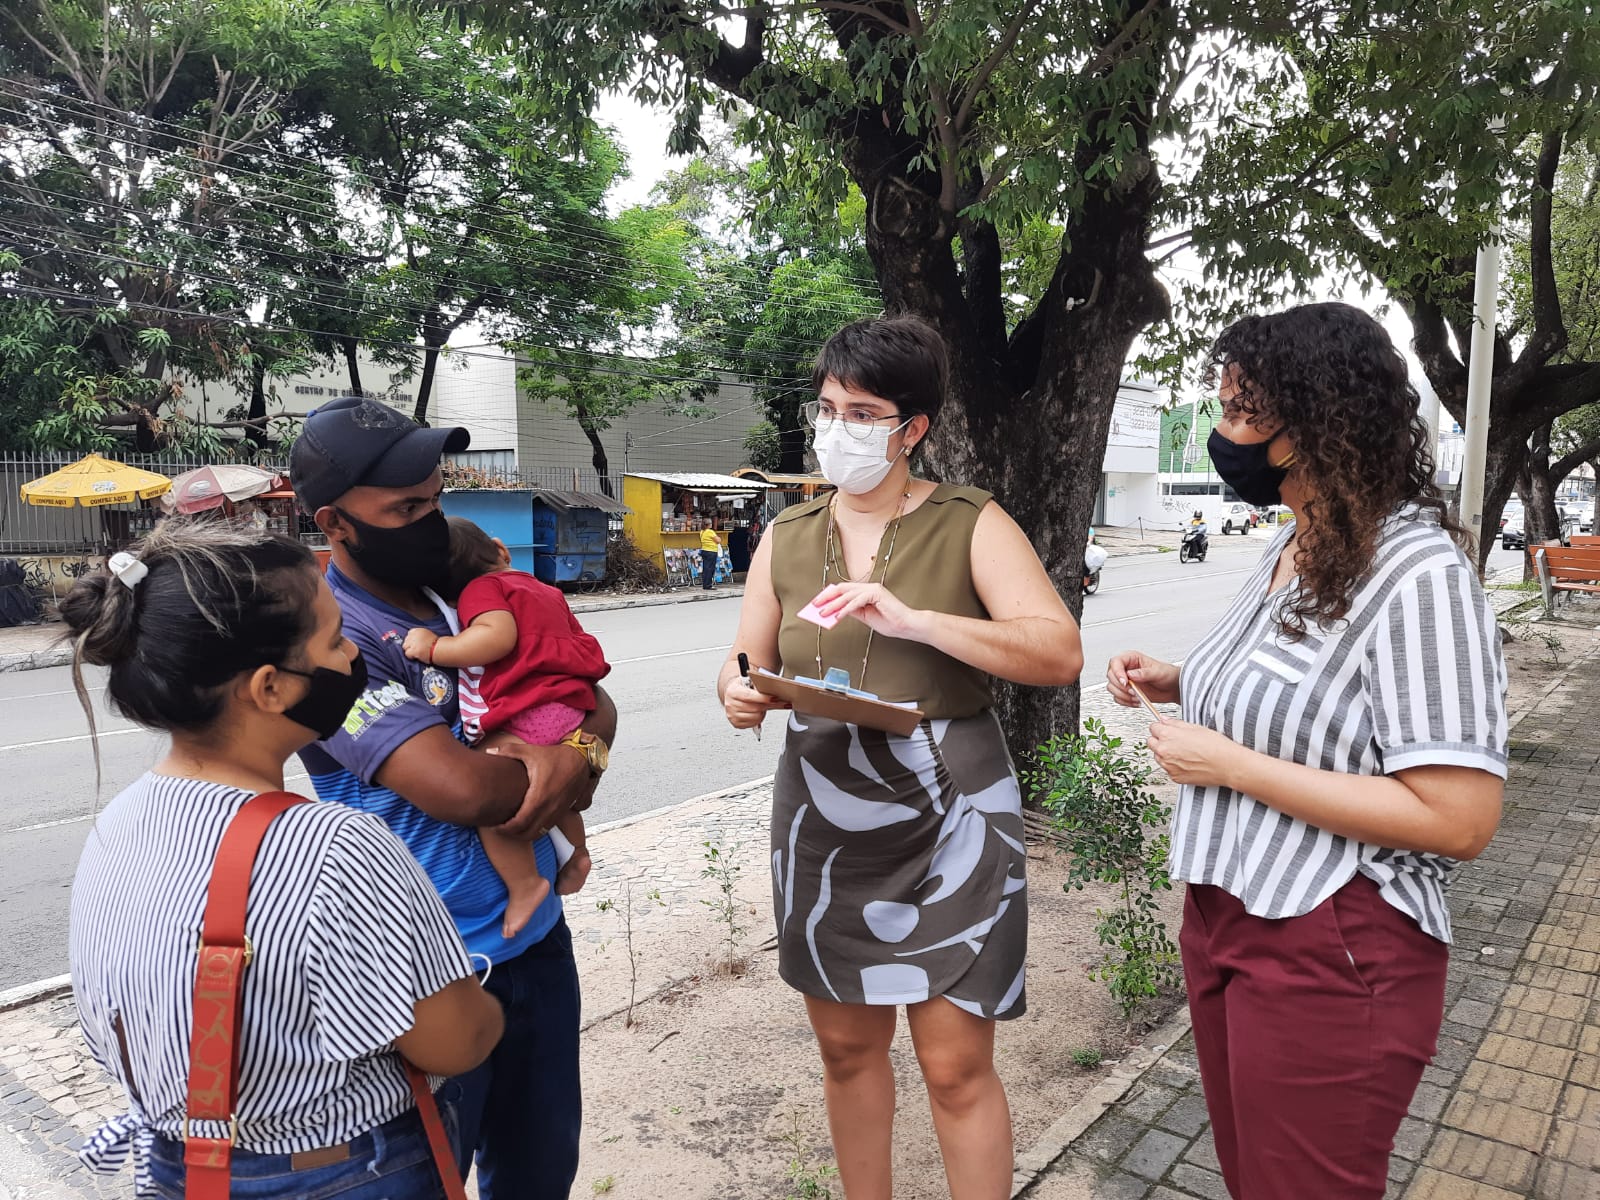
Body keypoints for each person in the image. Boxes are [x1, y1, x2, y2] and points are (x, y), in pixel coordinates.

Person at [1107, 302, 1508, 1199]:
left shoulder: (1415, 572)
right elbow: (1306, 698)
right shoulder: (1299, 544)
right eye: (1223, 407)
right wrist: (1183, 680)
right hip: (1225, 915)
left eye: (1244, 413)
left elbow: (1459, 816)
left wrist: (1230, 764)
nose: (1222, 434)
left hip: (1335, 938)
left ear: (1319, 420)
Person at [717, 315, 1083, 1200]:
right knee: (846, 1050)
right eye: (829, 407)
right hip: (823, 811)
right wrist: (738, 692)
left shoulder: (970, 522)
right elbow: (743, 660)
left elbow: (1055, 650)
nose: (838, 427)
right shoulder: (787, 535)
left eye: (864, 412)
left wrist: (916, 620)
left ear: (911, 428)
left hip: (952, 799)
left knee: (954, 1063)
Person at [64, 521, 503, 1199]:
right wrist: (490, 1007)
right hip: (345, 1173)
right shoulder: (334, 847)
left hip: (181, 1168)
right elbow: (455, 1043)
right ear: (268, 688)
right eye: (333, 640)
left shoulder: (115, 825)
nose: (353, 651)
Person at [290, 396, 617, 1200]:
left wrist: (575, 749)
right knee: (430, 1182)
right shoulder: (330, 638)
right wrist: (568, 759)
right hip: (426, 972)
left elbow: (589, 699)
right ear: (335, 522)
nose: (431, 520)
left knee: (542, 1173)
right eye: (405, 507)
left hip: (534, 945)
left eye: (435, 499)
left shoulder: (454, 595)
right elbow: (462, 790)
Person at [402, 517, 608, 937]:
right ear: (500, 548)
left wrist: (436, 646)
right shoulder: (541, 587)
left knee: (493, 796)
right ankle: (577, 853)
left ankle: (524, 884)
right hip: (571, 705)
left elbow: (497, 638)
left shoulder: (482, 590)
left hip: (533, 712)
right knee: (555, 791)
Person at [699, 524, 721, 589]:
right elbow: (718, 540)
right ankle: (708, 585)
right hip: (711, 551)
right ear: (709, 525)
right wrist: (719, 538)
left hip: (704, 551)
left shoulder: (702, 532)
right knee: (710, 568)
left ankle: (705, 584)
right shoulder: (710, 531)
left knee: (706, 568)